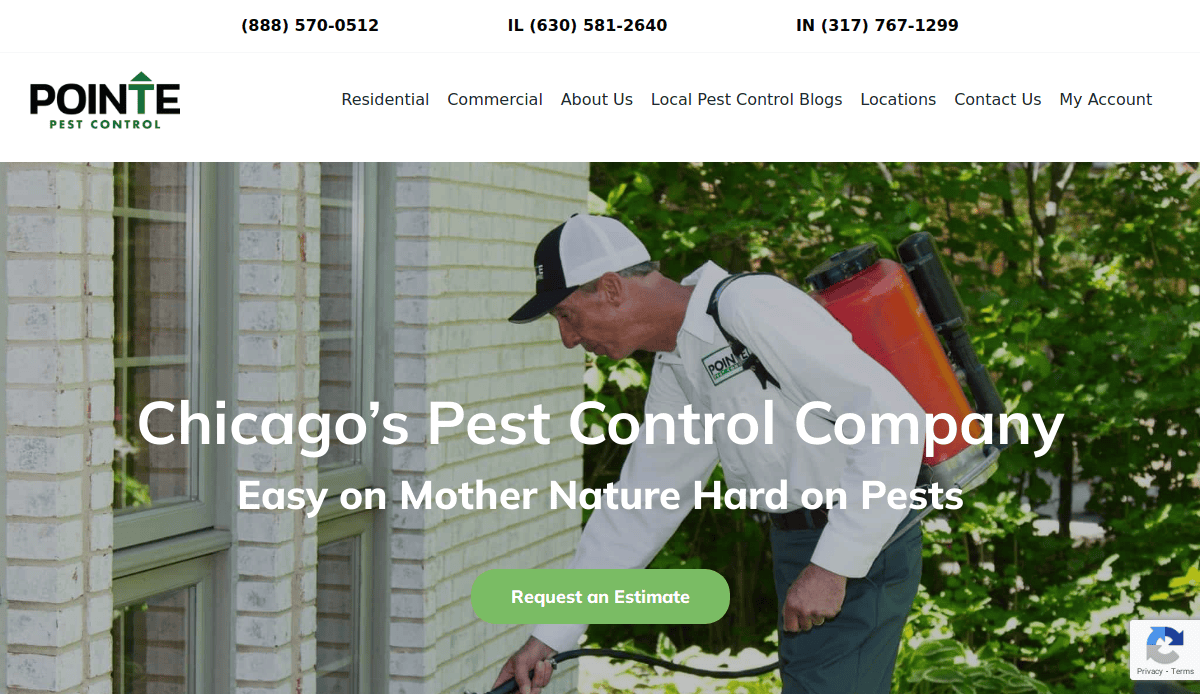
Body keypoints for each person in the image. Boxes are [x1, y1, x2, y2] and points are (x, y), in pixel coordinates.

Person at [494, 214, 927, 694]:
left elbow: (894, 420)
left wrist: (833, 565)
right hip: (800, 548)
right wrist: (549, 636)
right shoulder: (679, 362)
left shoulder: (749, 306)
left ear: (612, 288)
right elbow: (641, 505)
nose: (568, 339)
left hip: (860, 543)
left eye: (566, 315)